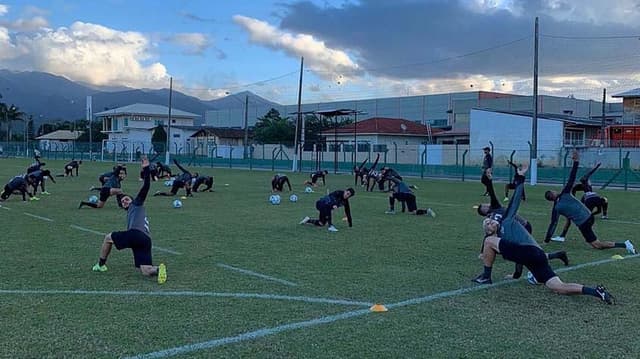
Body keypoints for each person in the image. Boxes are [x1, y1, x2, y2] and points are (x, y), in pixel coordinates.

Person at [472, 181, 614, 304]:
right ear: (490, 230)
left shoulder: (505, 223)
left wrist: (520, 179)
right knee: (559, 287)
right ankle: (596, 291)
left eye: (490, 220)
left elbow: (514, 202)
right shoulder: (503, 242)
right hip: (535, 256)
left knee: (489, 242)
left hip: (531, 252)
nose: (492, 221)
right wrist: (516, 275)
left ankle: (485, 277)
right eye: (488, 223)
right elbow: (519, 259)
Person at [476, 164, 568, 270]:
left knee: (525, 253)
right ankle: (558, 255)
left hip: (523, 226)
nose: (487, 204)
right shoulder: (491, 218)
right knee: (524, 254)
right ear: (485, 212)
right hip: (511, 230)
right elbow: (487, 235)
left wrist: (488, 179)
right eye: (484, 206)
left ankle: (550, 259)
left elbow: (491, 192)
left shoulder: (496, 207)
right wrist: (482, 251)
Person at [92, 157, 167, 284]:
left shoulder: (137, 204)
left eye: (126, 199)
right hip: (145, 240)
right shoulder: (133, 210)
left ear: (132, 199)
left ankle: (100, 265)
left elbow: (146, 186)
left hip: (136, 235)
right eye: (122, 201)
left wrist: (146, 168)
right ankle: (159, 270)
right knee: (146, 270)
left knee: (108, 238)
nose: (124, 201)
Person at [544, 150, 635, 254]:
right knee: (593, 240)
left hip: (583, 222)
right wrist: (576, 161)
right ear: (554, 194)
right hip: (589, 216)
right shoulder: (565, 193)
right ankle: (562, 236)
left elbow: (553, 224)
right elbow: (572, 177)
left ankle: (625, 244)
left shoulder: (557, 207)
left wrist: (546, 239)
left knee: (597, 245)